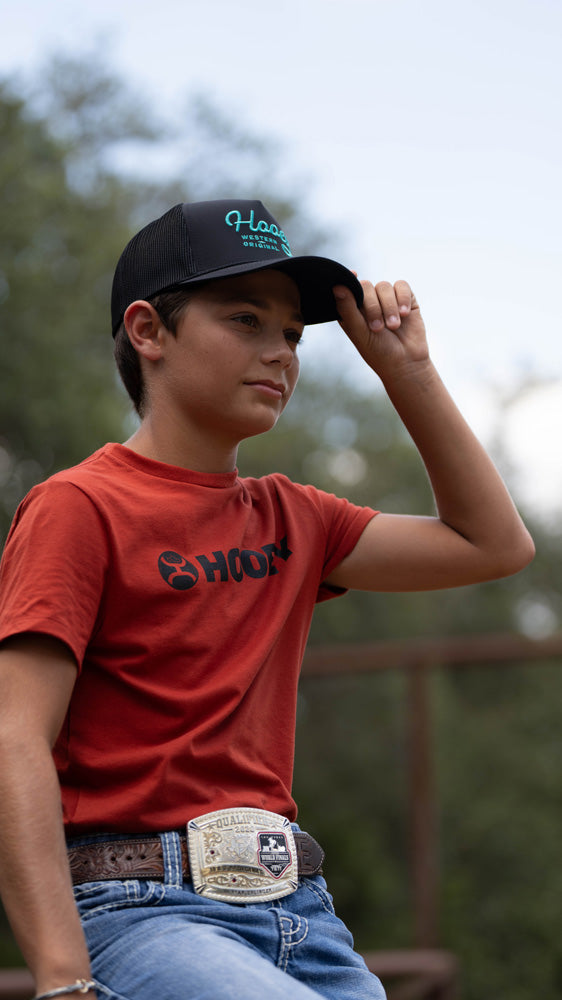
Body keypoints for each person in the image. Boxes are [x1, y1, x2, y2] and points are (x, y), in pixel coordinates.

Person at [0, 198, 534, 1000]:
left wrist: (406, 371)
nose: (280, 352)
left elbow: (493, 545)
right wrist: (63, 979)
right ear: (148, 332)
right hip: (138, 909)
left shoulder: (297, 517)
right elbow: (13, 740)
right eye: (245, 319)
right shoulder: (79, 506)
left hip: (301, 914)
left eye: (291, 333)